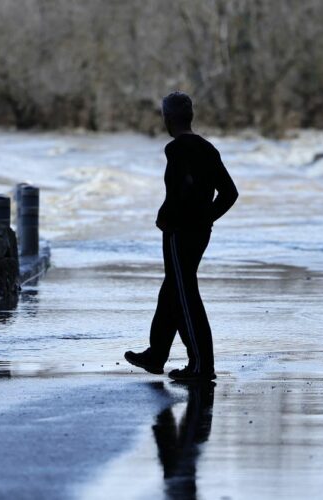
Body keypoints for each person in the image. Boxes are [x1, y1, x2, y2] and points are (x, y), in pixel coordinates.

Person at [125, 91, 238, 381]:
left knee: (185, 295)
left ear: (168, 118)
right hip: (197, 232)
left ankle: (201, 365)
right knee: (173, 290)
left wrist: (172, 219)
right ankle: (156, 354)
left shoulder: (176, 150)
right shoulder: (207, 148)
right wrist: (206, 218)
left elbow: (179, 192)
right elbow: (229, 193)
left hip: (180, 233)